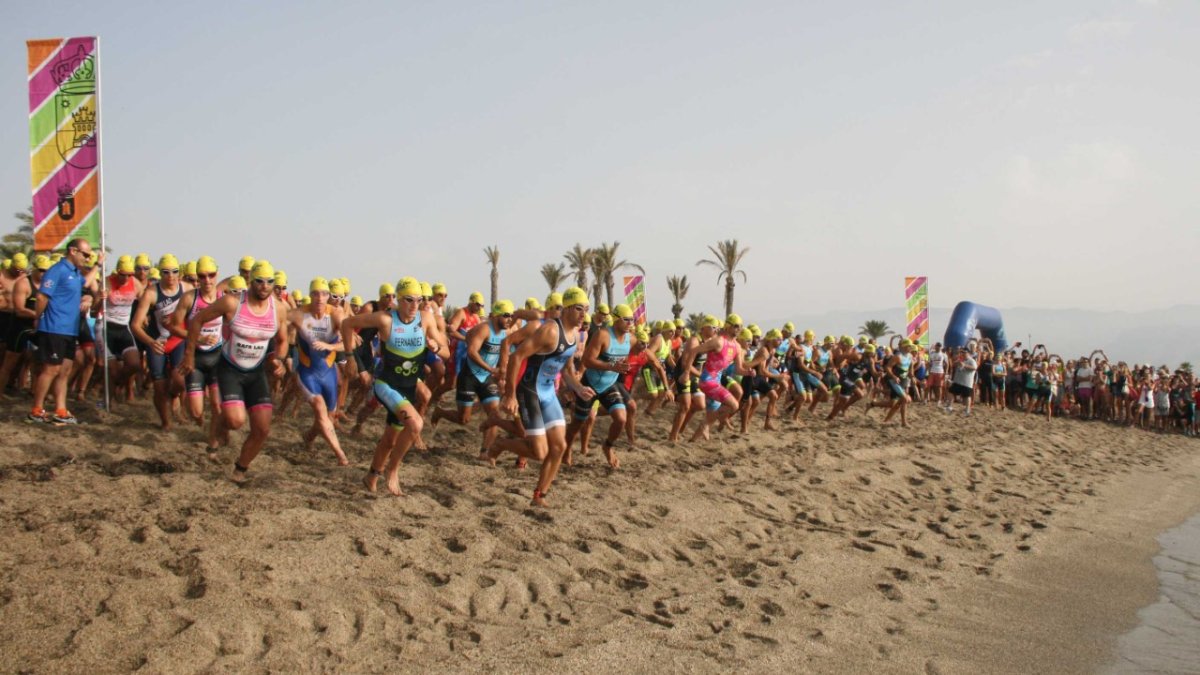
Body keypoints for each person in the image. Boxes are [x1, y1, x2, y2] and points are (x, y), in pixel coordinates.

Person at [180, 260, 288, 482]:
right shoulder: (232, 303)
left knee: (262, 429)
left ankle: (240, 469)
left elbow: (283, 340)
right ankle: (220, 422)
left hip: (256, 373)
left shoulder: (278, 309)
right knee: (236, 421)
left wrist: (278, 359)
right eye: (259, 281)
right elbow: (197, 320)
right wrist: (190, 354)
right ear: (251, 282)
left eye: (269, 282)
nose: (264, 286)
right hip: (230, 369)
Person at [339, 276, 448, 495]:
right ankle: (392, 470)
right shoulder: (386, 319)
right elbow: (347, 323)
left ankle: (371, 476)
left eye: (418, 300)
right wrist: (350, 357)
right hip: (386, 384)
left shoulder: (425, 319)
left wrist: (436, 347)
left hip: (408, 386)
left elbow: (446, 351)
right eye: (409, 300)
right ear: (398, 300)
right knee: (415, 424)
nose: (414, 305)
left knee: (390, 440)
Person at [488, 287, 594, 507]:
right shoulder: (550, 331)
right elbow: (517, 357)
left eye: (586, 309)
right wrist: (510, 395)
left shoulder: (574, 336)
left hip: (548, 393)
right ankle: (501, 444)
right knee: (539, 451)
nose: (583, 313)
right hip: (530, 391)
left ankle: (539, 496)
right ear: (566, 309)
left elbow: (566, 371)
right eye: (578, 308)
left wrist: (578, 388)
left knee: (559, 448)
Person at [430, 299, 515, 459]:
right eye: (506, 315)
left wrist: (502, 374)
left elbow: (504, 354)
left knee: (494, 415)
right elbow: (472, 352)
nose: (509, 319)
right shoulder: (483, 329)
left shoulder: (506, 333)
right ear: (496, 315)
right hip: (469, 375)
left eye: (511, 315)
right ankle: (440, 412)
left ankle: (485, 452)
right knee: (463, 419)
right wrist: (490, 368)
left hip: (486, 378)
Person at [29, 238, 100, 424]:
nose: (87, 258)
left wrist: (98, 265)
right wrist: (39, 318)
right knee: (50, 369)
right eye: (85, 254)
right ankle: (36, 409)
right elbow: (42, 296)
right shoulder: (57, 270)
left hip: (70, 330)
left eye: (89, 255)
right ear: (73, 251)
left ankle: (61, 410)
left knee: (65, 370)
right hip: (54, 328)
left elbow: (85, 283)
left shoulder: (76, 273)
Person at [288, 277, 348, 465]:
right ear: (310, 295)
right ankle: (341, 455)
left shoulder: (336, 314)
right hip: (307, 372)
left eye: (324, 294)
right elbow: (278, 323)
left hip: (329, 372)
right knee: (320, 410)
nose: (320, 298)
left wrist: (329, 347)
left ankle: (309, 437)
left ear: (328, 296)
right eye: (315, 294)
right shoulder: (299, 314)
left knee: (329, 416)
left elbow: (349, 342)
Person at [168, 255, 225, 456]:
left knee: (218, 406)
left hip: (217, 357)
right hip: (196, 359)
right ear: (197, 277)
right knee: (196, 412)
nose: (207, 280)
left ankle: (213, 443)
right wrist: (197, 338)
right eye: (202, 276)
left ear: (217, 275)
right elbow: (174, 326)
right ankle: (203, 424)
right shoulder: (190, 298)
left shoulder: (223, 299)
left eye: (211, 275)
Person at [130, 254, 192, 429]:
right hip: (157, 342)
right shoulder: (151, 293)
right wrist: (150, 342)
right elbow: (135, 325)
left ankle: (173, 397)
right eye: (165, 272)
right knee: (159, 386)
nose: (170, 276)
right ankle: (166, 422)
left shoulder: (187, 288)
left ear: (179, 273)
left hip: (178, 339)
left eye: (174, 272)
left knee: (180, 381)